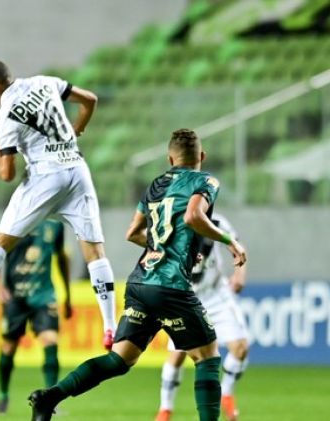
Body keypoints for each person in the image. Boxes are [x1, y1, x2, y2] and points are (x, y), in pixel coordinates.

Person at [27, 128, 248, 421]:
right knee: (207, 357)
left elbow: (133, 233)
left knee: (120, 359)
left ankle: (49, 397)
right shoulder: (205, 180)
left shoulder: (156, 185)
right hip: (171, 286)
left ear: (170, 158)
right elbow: (194, 216)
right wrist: (229, 241)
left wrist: (173, 248)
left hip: (141, 282)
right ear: (202, 157)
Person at [0, 59, 118, 350]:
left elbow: (7, 174)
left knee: (1, 242)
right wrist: (77, 129)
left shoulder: (6, 116)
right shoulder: (45, 81)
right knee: (95, 252)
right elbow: (89, 100)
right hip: (78, 171)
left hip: (45, 177)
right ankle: (111, 328)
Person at [155, 213, 249, 421]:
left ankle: (226, 394)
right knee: (178, 355)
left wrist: (239, 274)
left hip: (215, 294)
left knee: (241, 348)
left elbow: (236, 244)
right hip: (185, 297)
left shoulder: (215, 221)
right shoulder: (171, 223)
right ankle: (165, 410)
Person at [0, 219, 72, 414]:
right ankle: (3, 395)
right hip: (16, 297)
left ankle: (51, 399)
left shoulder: (55, 226)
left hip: (43, 296)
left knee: (50, 340)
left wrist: (67, 295)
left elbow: (62, 258)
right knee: (9, 347)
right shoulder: (14, 220)